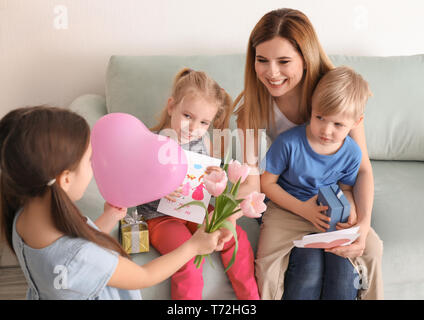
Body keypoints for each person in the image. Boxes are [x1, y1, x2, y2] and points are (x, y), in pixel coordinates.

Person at [233, 8, 383, 299]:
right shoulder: (252, 110)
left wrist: (363, 223)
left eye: (284, 61)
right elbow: (253, 179)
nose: (272, 72)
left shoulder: (334, 93)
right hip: (288, 197)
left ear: (306, 58)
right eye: (262, 60)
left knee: (347, 265)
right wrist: (229, 215)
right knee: (307, 268)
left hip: (336, 198)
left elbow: (362, 168)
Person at [0, 105, 222, 300]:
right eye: (89, 159)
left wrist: (108, 219)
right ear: (65, 179)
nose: (95, 164)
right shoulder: (81, 257)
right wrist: (193, 246)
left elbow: (76, 242)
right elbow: (145, 276)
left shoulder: (23, 213)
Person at [136, 68, 260, 300]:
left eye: (204, 122)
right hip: (162, 217)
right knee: (188, 260)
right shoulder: (153, 143)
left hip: (196, 210)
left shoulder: (203, 141)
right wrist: (159, 188)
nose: (193, 128)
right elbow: (134, 186)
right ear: (171, 106)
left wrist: (215, 175)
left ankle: (251, 300)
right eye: (187, 116)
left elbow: (214, 175)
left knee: (235, 236)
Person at [260, 66, 369, 299]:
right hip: (288, 207)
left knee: (343, 274)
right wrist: (303, 209)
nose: (326, 130)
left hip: (327, 215)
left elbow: (348, 187)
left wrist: (351, 208)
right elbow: (266, 184)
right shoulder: (289, 142)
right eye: (320, 118)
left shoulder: (351, 152)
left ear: (356, 122)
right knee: (305, 271)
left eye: (338, 125)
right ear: (311, 108)